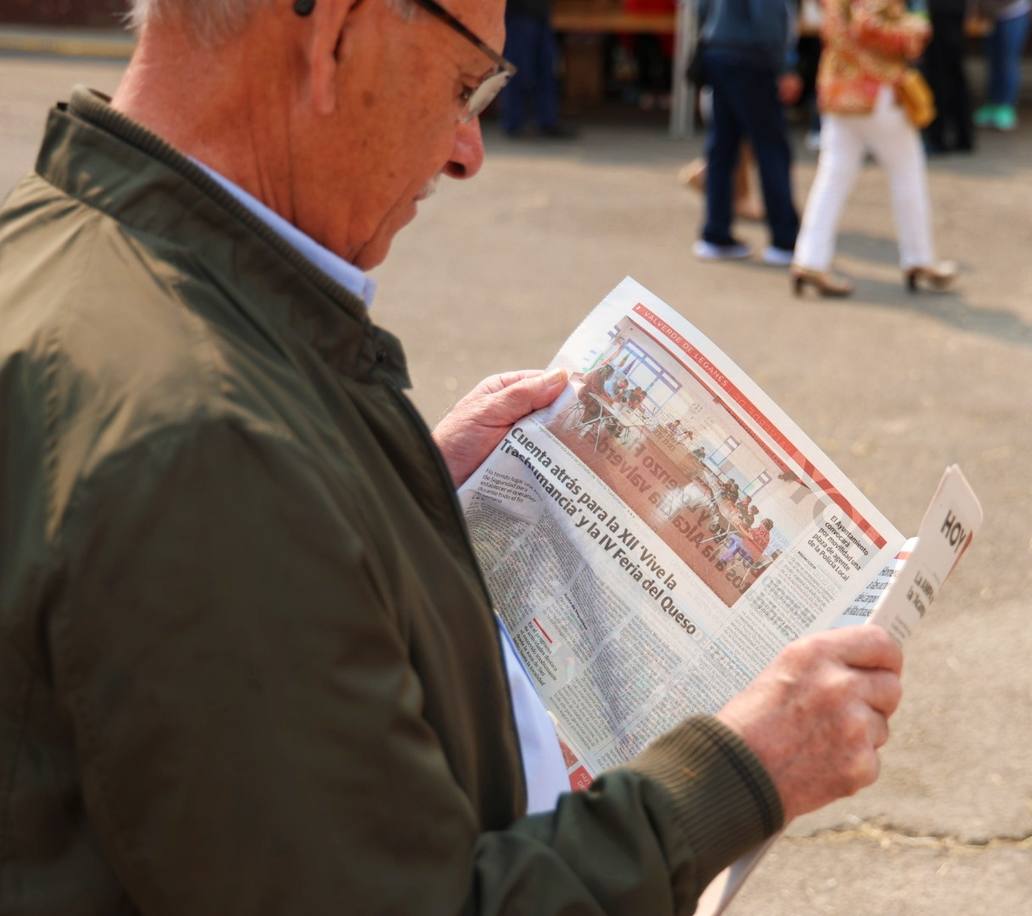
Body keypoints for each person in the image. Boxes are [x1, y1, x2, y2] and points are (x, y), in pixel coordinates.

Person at [0, 1, 908, 912]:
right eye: (464, 85)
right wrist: (742, 771)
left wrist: (393, 495)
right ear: (337, 36)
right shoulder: (207, 446)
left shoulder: (56, 244)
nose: (467, 153)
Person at [791, 0, 958, 298]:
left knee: (832, 178)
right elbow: (868, 25)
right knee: (907, 172)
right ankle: (918, 258)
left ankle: (810, 259)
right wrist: (915, 30)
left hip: (839, 88)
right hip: (876, 89)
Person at [694, 0, 804, 265]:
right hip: (753, 60)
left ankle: (715, 234)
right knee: (771, 150)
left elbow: (701, 9)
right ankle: (784, 240)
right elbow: (769, 16)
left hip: (718, 52)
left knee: (722, 149)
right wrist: (785, 67)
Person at [501, 0, 576, 138]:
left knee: (546, 69)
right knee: (518, 70)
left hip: (541, 12)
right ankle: (514, 122)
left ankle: (547, 120)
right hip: (519, 12)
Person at [921, 0, 975, 153]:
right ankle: (962, 137)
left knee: (941, 77)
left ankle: (938, 138)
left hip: (943, 13)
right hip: (949, 11)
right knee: (953, 75)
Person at [973, 0, 1032, 132]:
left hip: (1013, 12)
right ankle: (993, 103)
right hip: (989, 15)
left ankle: (1006, 105)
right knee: (993, 61)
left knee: (1007, 61)